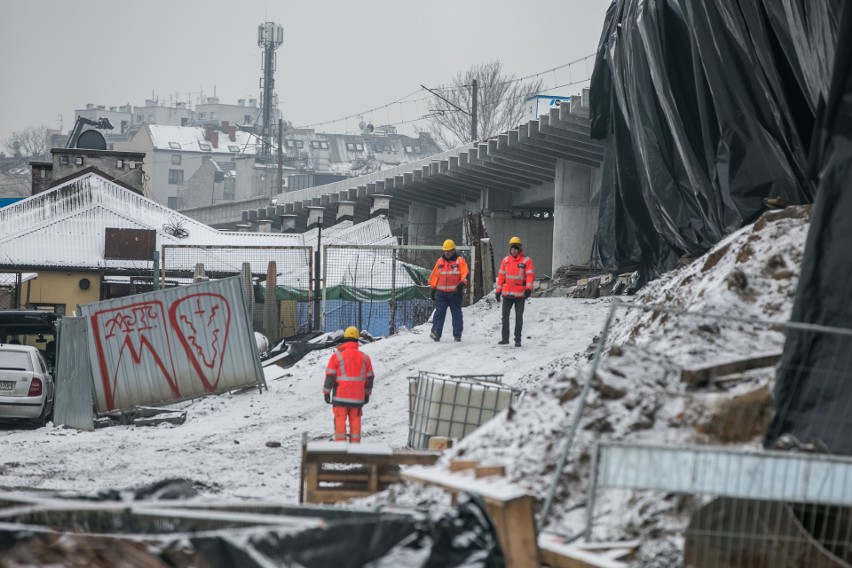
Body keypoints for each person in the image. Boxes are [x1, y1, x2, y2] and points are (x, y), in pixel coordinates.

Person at [323, 326, 375, 443]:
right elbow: (370, 378)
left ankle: (341, 447)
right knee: (355, 421)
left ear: (345, 339)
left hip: (340, 397)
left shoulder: (337, 356)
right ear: (357, 341)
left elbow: (330, 376)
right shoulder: (365, 358)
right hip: (357, 399)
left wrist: (327, 392)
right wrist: (366, 394)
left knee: (340, 421)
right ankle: (355, 448)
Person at [495, 236, 535, 347]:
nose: (514, 251)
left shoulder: (526, 261)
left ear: (519, 249)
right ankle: (505, 338)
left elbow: (530, 275)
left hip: (520, 295)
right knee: (505, 316)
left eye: (516, 248)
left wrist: (528, 289)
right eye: (512, 249)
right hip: (507, 294)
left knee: (518, 318)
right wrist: (498, 291)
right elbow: (501, 276)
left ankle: (518, 340)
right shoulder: (505, 261)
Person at [428, 239, 469, 342]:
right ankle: (436, 332)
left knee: (456, 314)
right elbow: (435, 276)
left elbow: (465, 273)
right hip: (441, 293)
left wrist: (462, 282)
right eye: (445, 250)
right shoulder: (440, 261)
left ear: (453, 250)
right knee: (439, 313)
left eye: (449, 250)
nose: (447, 252)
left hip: (455, 293)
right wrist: (433, 289)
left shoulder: (460, 261)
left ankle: (457, 334)